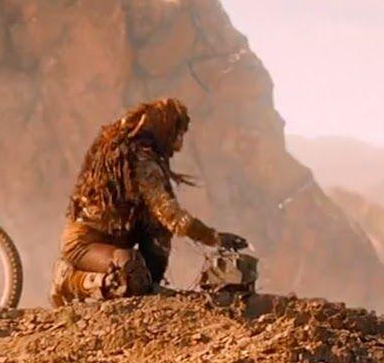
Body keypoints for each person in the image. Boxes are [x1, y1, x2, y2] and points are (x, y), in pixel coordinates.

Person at [50, 98, 245, 306]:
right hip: (84, 245)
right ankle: (69, 280)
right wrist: (213, 237)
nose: (179, 144)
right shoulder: (139, 159)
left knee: (157, 232)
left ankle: (146, 285)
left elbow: (161, 219)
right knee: (131, 271)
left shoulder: (143, 156)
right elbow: (170, 214)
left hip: (118, 237)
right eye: (177, 134)